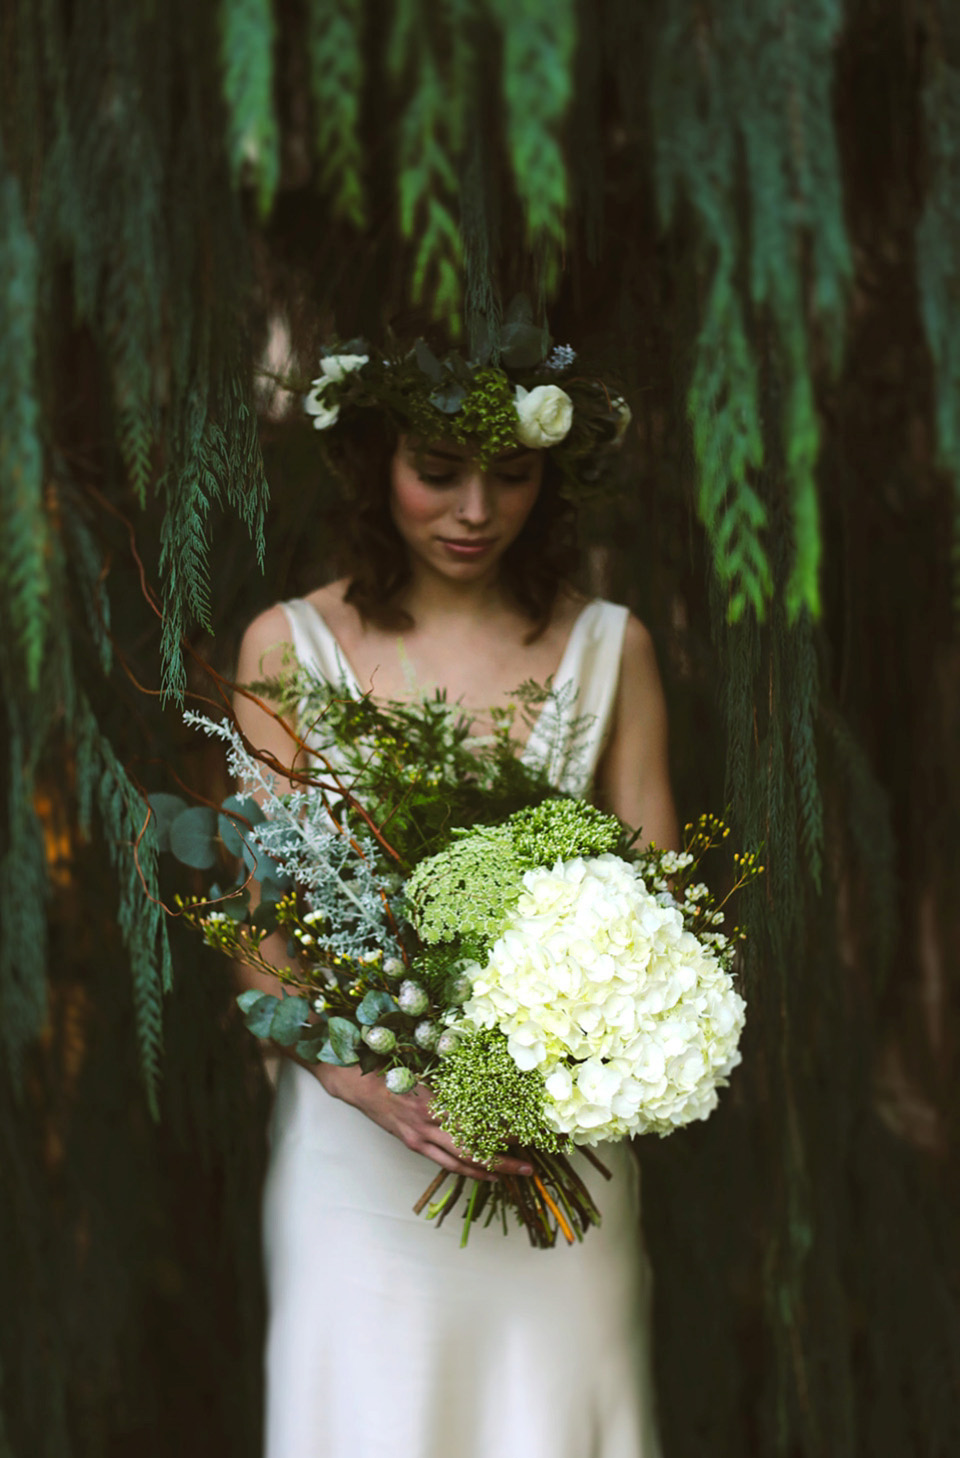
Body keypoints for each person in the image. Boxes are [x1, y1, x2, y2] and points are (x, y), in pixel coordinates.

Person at [232, 331, 679, 1458]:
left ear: (550, 476)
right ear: (376, 463)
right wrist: (367, 1083)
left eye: (512, 474)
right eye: (439, 468)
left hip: (556, 1152)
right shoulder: (287, 650)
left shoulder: (609, 648)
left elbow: (664, 920)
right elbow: (261, 929)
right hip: (358, 1161)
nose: (477, 509)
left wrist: (572, 1050)